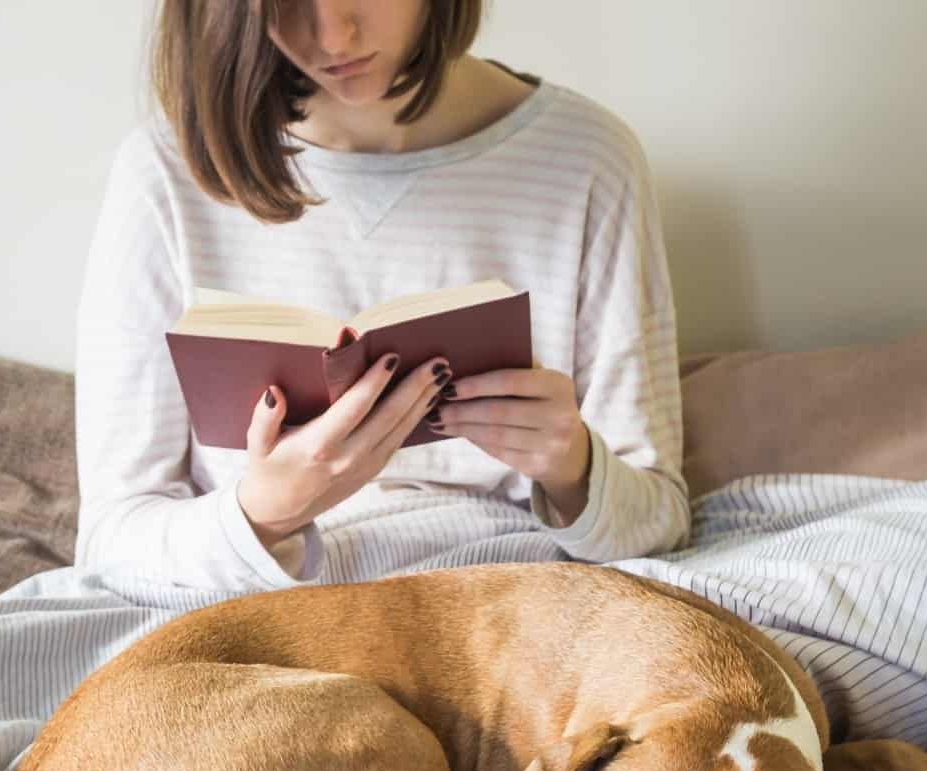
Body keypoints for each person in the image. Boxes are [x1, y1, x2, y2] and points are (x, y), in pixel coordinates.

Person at [74, 0, 692, 593]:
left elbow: (658, 520)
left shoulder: (587, 159)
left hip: (508, 599)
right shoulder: (166, 172)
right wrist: (264, 514)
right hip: (259, 601)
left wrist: (575, 469)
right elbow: (110, 540)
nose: (334, 36)